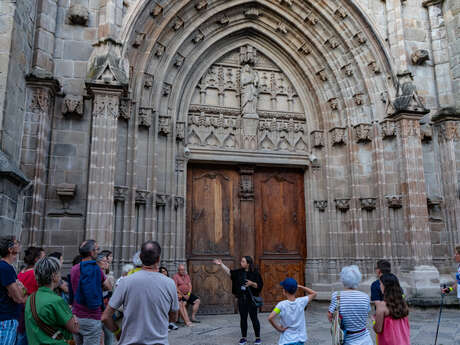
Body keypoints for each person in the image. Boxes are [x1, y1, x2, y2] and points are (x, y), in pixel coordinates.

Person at [101, 241, 179, 345]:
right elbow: (174, 317)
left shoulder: (126, 281)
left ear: (141, 258)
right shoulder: (169, 283)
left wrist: (118, 332)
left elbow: (105, 317)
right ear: (159, 259)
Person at [24, 256, 79, 345]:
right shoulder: (56, 300)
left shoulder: (31, 298)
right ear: (54, 276)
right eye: (59, 272)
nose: (60, 275)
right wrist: (75, 317)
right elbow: (74, 328)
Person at [214, 256, 263, 345]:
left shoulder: (255, 273)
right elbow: (230, 273)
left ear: (248, 263)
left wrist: (251, 283)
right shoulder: (239, 272)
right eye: (241, 261)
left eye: (243, 261)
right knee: (243, 319)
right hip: (242, 299)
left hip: (251, 300)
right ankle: (244, 338)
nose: (241, 263)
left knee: (254, 319)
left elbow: (259, 285)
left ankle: (258, 337)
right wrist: (221, 265)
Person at [70, 240, 111, 345]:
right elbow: (108, 286)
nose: (98, 252)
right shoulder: (95, 269)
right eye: (97, 249)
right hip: (91, 316)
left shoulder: (74, 269)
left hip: (76, 316)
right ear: (91, 252)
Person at [328, 265, 373, 345]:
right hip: (365, 339)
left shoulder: (337, 296)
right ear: (358, 279)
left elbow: (330, 317)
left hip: (346, 339)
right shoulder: (365, 297)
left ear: (342, 280)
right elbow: (367, 313)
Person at [268, 278, 317, 345]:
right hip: (300, 339)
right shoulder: (302, 301)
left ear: (284, 291)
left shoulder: (280, 305)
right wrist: (301, 287)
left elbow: (270, 317)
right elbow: (314, 293)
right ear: (296, 290)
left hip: (287, 340)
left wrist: (279, 329)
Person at [16, 247, 45, 345]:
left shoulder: (22, 272)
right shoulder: (34, 274)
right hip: (30, 311)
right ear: (37, 259)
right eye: (43, 257)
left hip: (22, 310)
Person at [0, 236, 26, 345]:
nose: (19, 245)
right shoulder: (6, 268)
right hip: (6, 319)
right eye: (16, 243)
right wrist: (22, 288)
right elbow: (19, 298)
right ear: (10, 249)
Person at [373, 273, 410, 345]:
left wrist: (375, 321)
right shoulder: (402, 302)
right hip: (403, 341)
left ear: (385, 286)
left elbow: (378, 329)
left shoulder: (382, 306)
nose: (380, 286)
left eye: (380, 284)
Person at [96, 252, 114, 345]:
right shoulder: (97, 274)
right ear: (98, 262)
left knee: (109, 335)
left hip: (106, 308)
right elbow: (108, 287)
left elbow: (109, 288)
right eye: (105, 261)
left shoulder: (106, 275)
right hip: (99, 309)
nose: (107, 262)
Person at [159, 266, 179, 331]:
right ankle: (166, 325)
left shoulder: (170, 280)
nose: (163, 273)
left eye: (164, 271)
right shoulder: (158, 280)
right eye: (161, 272)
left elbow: (173, 290)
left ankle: (170, 323)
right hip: (161, 297)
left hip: (169, 297)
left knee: (172, 306)